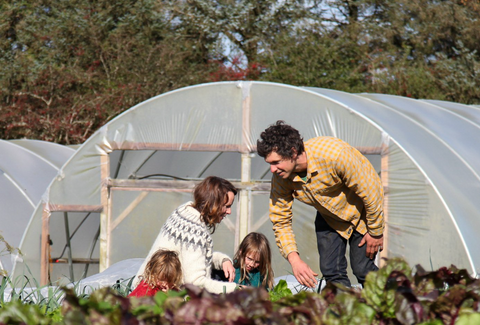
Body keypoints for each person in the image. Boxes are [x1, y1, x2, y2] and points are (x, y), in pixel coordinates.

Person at [257, 121, 384, 288]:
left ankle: (399, 302)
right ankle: (344, 312)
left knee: (363, 269)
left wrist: (375, 231)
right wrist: (294, 260)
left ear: (293, 152)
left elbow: (371, 191)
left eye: (276, 162)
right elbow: (280, 220)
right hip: (329, 216)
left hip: (362, 213)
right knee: (331, 271)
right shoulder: (281, 179)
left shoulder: (335, 155)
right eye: (269, 164)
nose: (272, 170)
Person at [133, 176, 238, 294]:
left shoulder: (184, 211)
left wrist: (222, 260)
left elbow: (190, 258)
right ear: (213, 203)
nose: (229, 211)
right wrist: (236, 289)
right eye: (227, 206)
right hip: (155, 295)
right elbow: (195, 282)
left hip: (142, 287)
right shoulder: (195, 230)